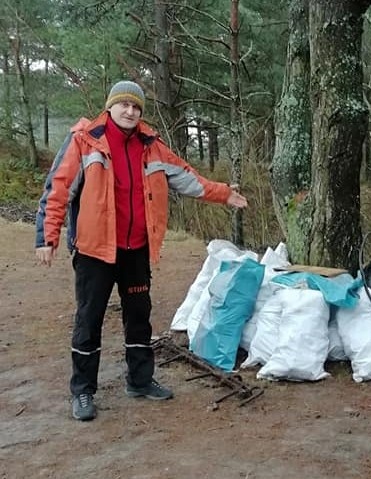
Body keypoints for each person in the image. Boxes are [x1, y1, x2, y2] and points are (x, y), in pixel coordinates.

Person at [35, 80, 248, 422]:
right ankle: (83, 391)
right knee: (89, 319)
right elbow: (58, 189)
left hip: (136, 248)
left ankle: (140, 380)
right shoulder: (84, 141)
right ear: (110, 107)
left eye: (136, 107)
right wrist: (47, 237)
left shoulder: (152, 146)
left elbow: (187, 177)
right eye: (124, 105)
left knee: (139, 316)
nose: (131, 111)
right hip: (95, 251)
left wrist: (223, 193)